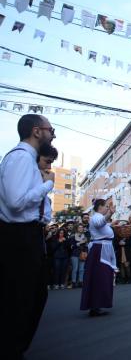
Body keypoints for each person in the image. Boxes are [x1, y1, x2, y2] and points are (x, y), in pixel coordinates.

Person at [0, 114, 56, 359]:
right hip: (18, 237)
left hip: (29, 235)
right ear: (36, 131)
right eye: (50, 130)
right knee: (21, 298)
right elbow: (15, 202)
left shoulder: (28, 160)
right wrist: (47, 186)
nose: (52, 135)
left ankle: (15, 347)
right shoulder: (21, 158)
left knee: (33, 295)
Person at [80, 199, 119, 317]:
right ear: (100, 207)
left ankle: (97, 305)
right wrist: (110, 214)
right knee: (99, 278)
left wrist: (110, 224)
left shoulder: (98, 217)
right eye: (106, 206)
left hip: (103, 250)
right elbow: (99, 223)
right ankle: (95, 306)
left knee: (103, 277)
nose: (108, 208)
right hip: (100, 251)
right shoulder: (96, 217)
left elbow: (103, 225)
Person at [69, 223, 88, 288]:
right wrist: (79, 243)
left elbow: (86, 246)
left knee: (82, 269)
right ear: (77, 228)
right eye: (79, 227)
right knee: (75, 269)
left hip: (82, 254)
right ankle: (73, 282)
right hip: (75, 254)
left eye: (82, 227)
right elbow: (71, 247)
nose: (81, 228)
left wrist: (86, 252)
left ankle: (80, 282)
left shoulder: (84, 236)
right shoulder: (73, 236)